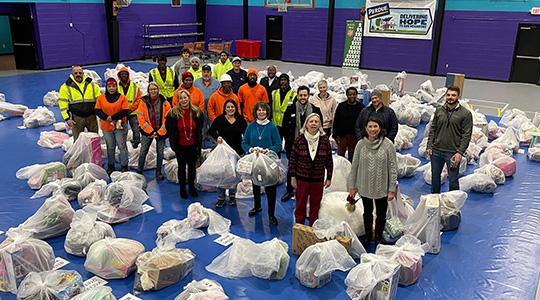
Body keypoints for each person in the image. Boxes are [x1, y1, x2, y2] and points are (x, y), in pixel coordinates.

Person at [348, 116, 397, 247]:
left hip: (382, 187)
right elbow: (354, 166)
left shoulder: (388, 145)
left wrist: (392, 189)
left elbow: (393, 168)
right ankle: (368, 236)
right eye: (370, 126)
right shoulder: (360, 144)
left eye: (375, 126)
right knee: (367, 213)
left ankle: (379, 237)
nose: (372, 129)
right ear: (365, 128)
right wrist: (352, 186)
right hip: (364, 186)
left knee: (381, 214)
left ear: (380, 128)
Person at [241, 102, 282, 226]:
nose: (261, 112)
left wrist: (268, 151)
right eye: (259, 110)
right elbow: (244, 143)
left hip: (269, 162)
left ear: (267, 112)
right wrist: (251, 149)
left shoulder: (272, 127)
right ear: (255, 112)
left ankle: (271, 214)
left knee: (271, 188)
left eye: (263, 110)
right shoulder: (251, 126)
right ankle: (257, 206)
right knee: (255, 185)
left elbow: (278, 145)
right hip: (255, 161)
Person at [289, 113, 333, 225]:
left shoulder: (324, 140)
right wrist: (293, 177)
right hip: (301, 179)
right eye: (311, 121)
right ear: (306, 124)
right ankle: (299, 228)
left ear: (320, 125)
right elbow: (292, 160)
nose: (314, 124)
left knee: (315, 206)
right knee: (300, 205)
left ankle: (313, 229)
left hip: (318, 179)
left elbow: (329, 160)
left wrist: (329, 177)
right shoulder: (299, 140)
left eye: (316, 122)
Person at [427, 86, 473, 193]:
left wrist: (459, 152)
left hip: (452, 153)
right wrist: (429, 145)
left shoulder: (465, 114)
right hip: (436, 151)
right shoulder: (439, 110)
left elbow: (466, 135)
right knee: (435, 177)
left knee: (453, 180)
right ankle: (435, 199)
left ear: (458, 97)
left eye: (453, 95)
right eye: (448, 95)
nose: (450, 97)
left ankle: (453, 203)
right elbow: (433, 129)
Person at [281, 86, 323, 202]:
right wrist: (289, 141)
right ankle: (289, 190)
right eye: (301, 95)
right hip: (293, 144)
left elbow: (320, 127)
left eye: (305, 95)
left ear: (308, 96)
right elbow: (284, 126)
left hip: (311, 145)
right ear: (297, 96)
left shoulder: (315, 110)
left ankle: (306, 191)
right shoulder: (290, 110)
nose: (303, 97)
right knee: (292, 168)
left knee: (308, 168)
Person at [208, 99, 248, 208]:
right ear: (225, 109)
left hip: (237, 152)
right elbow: (211, 131)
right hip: (223, 153)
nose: (230, 109)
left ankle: (232, 197)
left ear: (236, 108)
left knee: (233, 175)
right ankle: (221, 198)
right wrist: (217, 137)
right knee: (221, 175)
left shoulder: (240, 120)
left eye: (232, 107)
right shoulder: (219, 120)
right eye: (228, 107)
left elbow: (247, 134)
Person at [165, 90, 204, 199]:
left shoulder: (196, 112)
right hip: (180, 147)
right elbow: (169, 128)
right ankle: (182, 188)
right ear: (178, 100)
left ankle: (191, 187)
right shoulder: (173, 114)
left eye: (185, 97)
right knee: (181, 168)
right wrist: (174, 146)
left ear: (189, 98)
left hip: (193, 145)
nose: (184, 100)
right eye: (181, 98)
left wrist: (198, 146)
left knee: (192, 168)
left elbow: (200, 127)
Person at [136, 82, 171, 180]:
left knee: (160, 153)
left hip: (161, 132)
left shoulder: (165, 102)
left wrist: (159, 132)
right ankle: (139, 171)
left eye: (155, 89)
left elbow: (167, 118)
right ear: (148, 91)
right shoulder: (142, 102)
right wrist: (151, 132)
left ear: (158, 90)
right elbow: (140, 118)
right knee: (143, 151)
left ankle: (159, 172)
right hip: (147, 132)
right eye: (151, 89)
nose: (153, 91)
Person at [95, 78, 130, 174]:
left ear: (116, 87)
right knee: (110, 146)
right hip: (107, 127)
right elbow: (98, 110)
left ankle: (124, 165)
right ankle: (111, 165)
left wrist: (113, 117)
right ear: (106, 87)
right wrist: (107, 118)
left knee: (122, 146)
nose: (111, 88)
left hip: (119, 126)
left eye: (113, 86)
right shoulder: (101, 98)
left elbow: (125, 110)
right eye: (109, 86)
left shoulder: (122, 97)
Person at [58, 65, 101, 141]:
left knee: (94, 139)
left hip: (92, 117)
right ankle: (80, 153)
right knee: (78, 141)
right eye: (76, 73)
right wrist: (67, 119)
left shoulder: (92, 85)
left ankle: (95, 153)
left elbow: (100, 100)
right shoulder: (65, 87)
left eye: (80, 73)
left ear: (83, 73)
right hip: (76, 119)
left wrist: (101, 115)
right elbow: (63, 105)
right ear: (72, 74)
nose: (78, 75)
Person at [332, 87, 365, 161]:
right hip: (342, 136)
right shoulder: (341, 106)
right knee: (340, 156)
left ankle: (351, 171)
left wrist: (361, 135)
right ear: (347, 95)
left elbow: (363, 122)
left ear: (356, 95)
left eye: (354, 94)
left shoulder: (361, 107)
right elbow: (336, 120)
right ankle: (340, 171)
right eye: (350, 94)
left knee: (352, 157)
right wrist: (335, 135)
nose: (352, 96)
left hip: (354, 136)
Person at [117, 67, 142, 148]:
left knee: (136, 129)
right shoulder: (116, 87)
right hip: (121, 113)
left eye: (125, 74)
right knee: (123, 130)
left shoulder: (135, 86)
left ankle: (137, 144)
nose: (124, 75)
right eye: (122, 74)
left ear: (128, 75)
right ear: (119, 76)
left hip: (133, 112)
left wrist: (131, 109)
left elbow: (138, 99)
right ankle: (122, 145)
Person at [271, 73, 296, 138]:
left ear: (288, 82)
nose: (283, 82)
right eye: (281, 80)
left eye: (285, 80)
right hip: (276, 125)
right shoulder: (274, 93)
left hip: (288, 125)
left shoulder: (293, 94)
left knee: (288, 145)